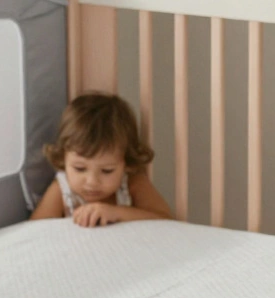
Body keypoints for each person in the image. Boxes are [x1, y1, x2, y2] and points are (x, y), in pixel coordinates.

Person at [30, 92, 171, 225]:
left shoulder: (132, 183)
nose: (92, 182)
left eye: (107, 170)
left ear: (126, 163)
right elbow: (36, 228)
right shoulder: (62, 189)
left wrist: (116, 213)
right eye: (80, 169)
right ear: (63, 159)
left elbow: (165, 220)